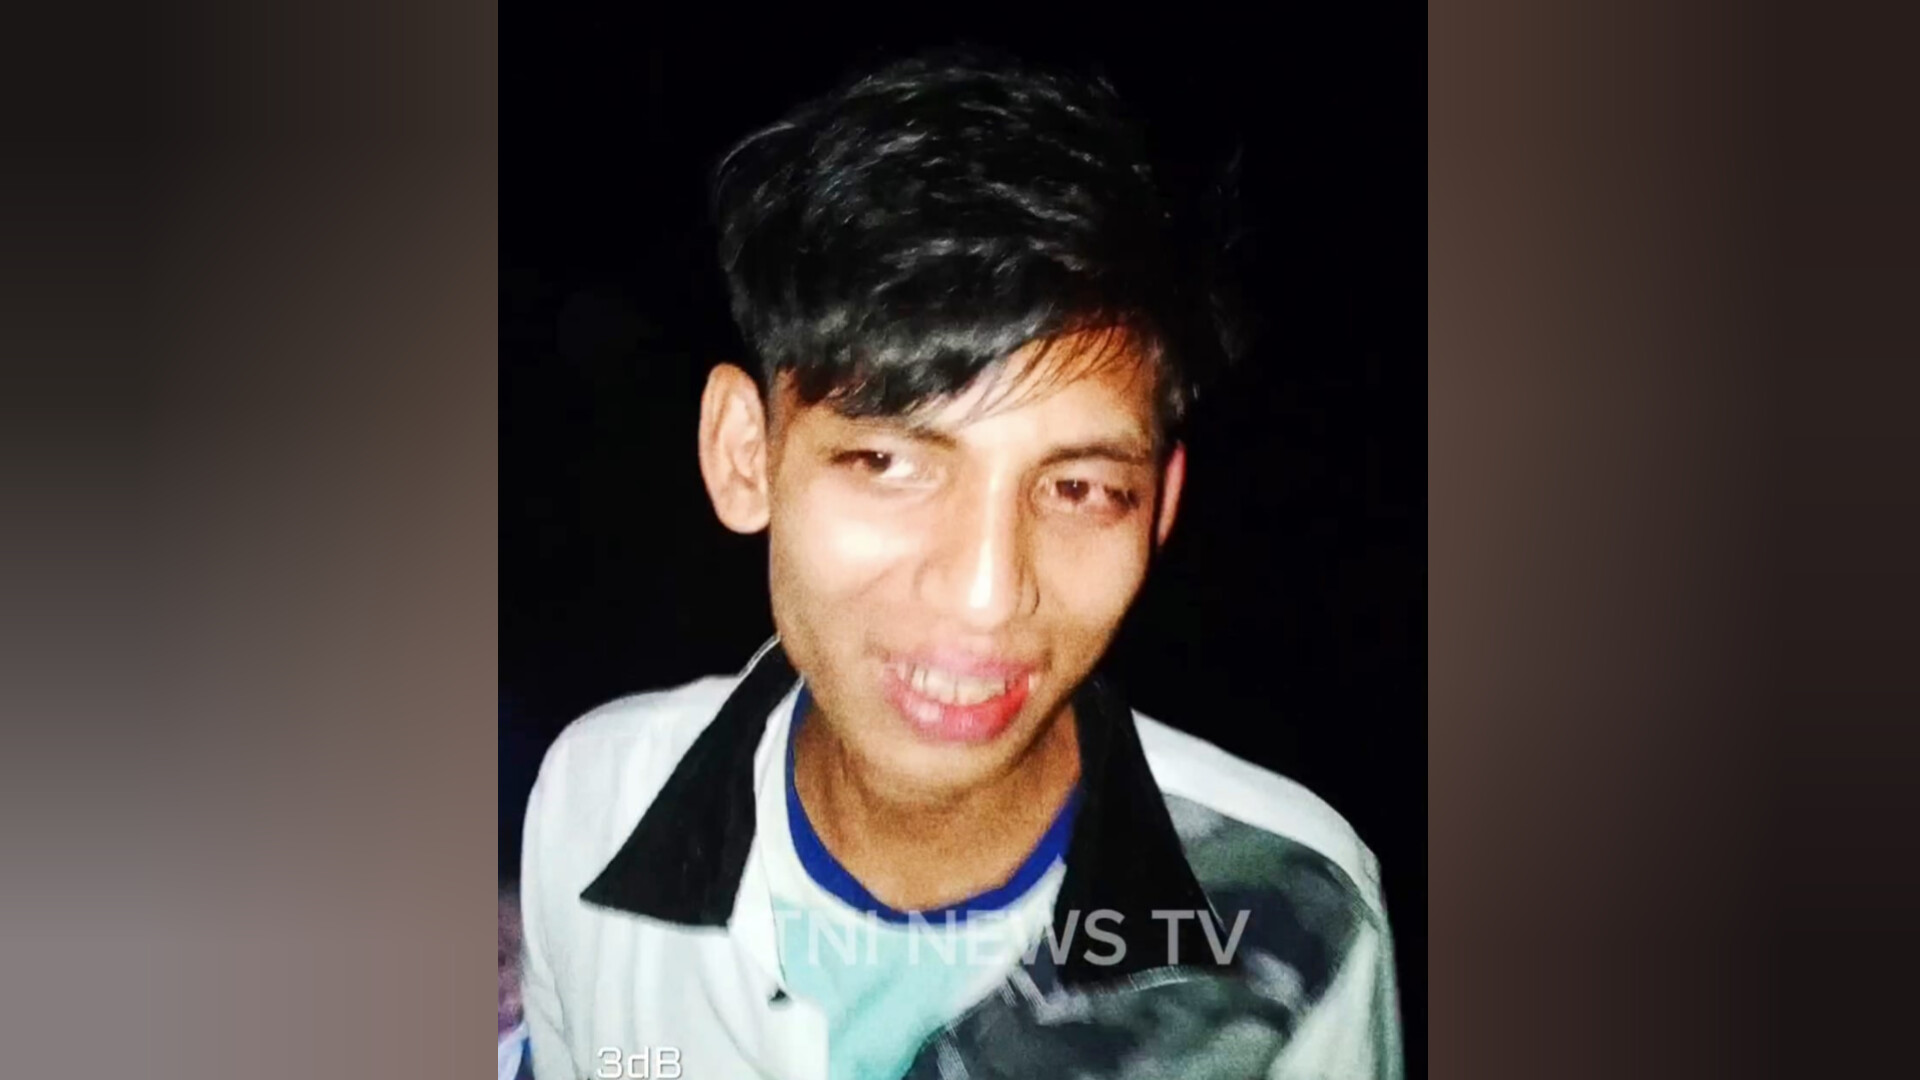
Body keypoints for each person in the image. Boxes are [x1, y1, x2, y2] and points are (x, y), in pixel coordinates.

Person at [518, 48, 1401, 1080]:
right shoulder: (598, 802)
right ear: (744, 454)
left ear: (1158, 510)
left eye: (1078, 489)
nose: (987, 596)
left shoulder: (1288, 911)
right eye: (888, 462)